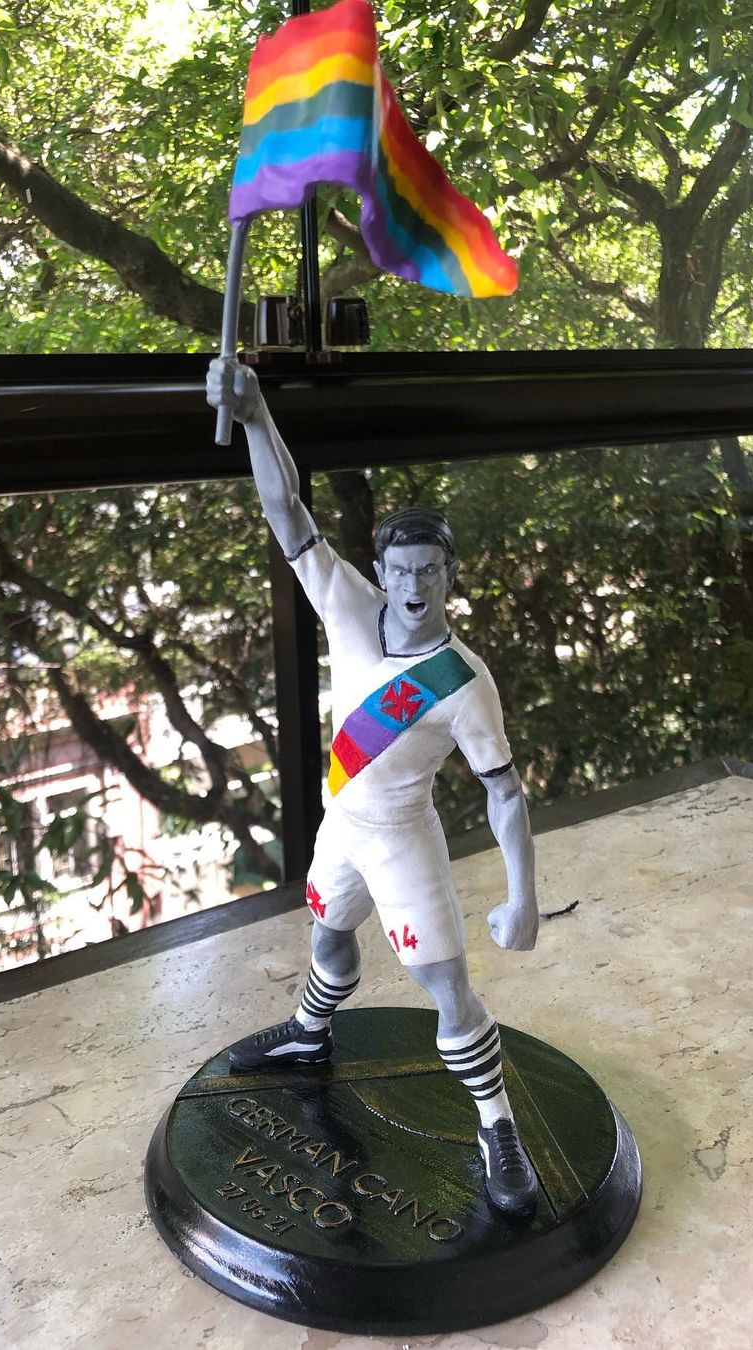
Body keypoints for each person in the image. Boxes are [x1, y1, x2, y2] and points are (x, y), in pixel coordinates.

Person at [206, 358, 541, 1215]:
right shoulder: (349, 606)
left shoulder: (463, 681)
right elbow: (287, 509)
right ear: (381, 572)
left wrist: (523, 898)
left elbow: (505, 791)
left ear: (449, 574)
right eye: (401, 570)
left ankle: (498, 1126)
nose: (414, 586)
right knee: (326, 938)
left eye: (429, 570)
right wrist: (255, 413)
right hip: (340, 829)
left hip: (402, 842)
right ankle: (309, 1036)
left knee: (447, 989)